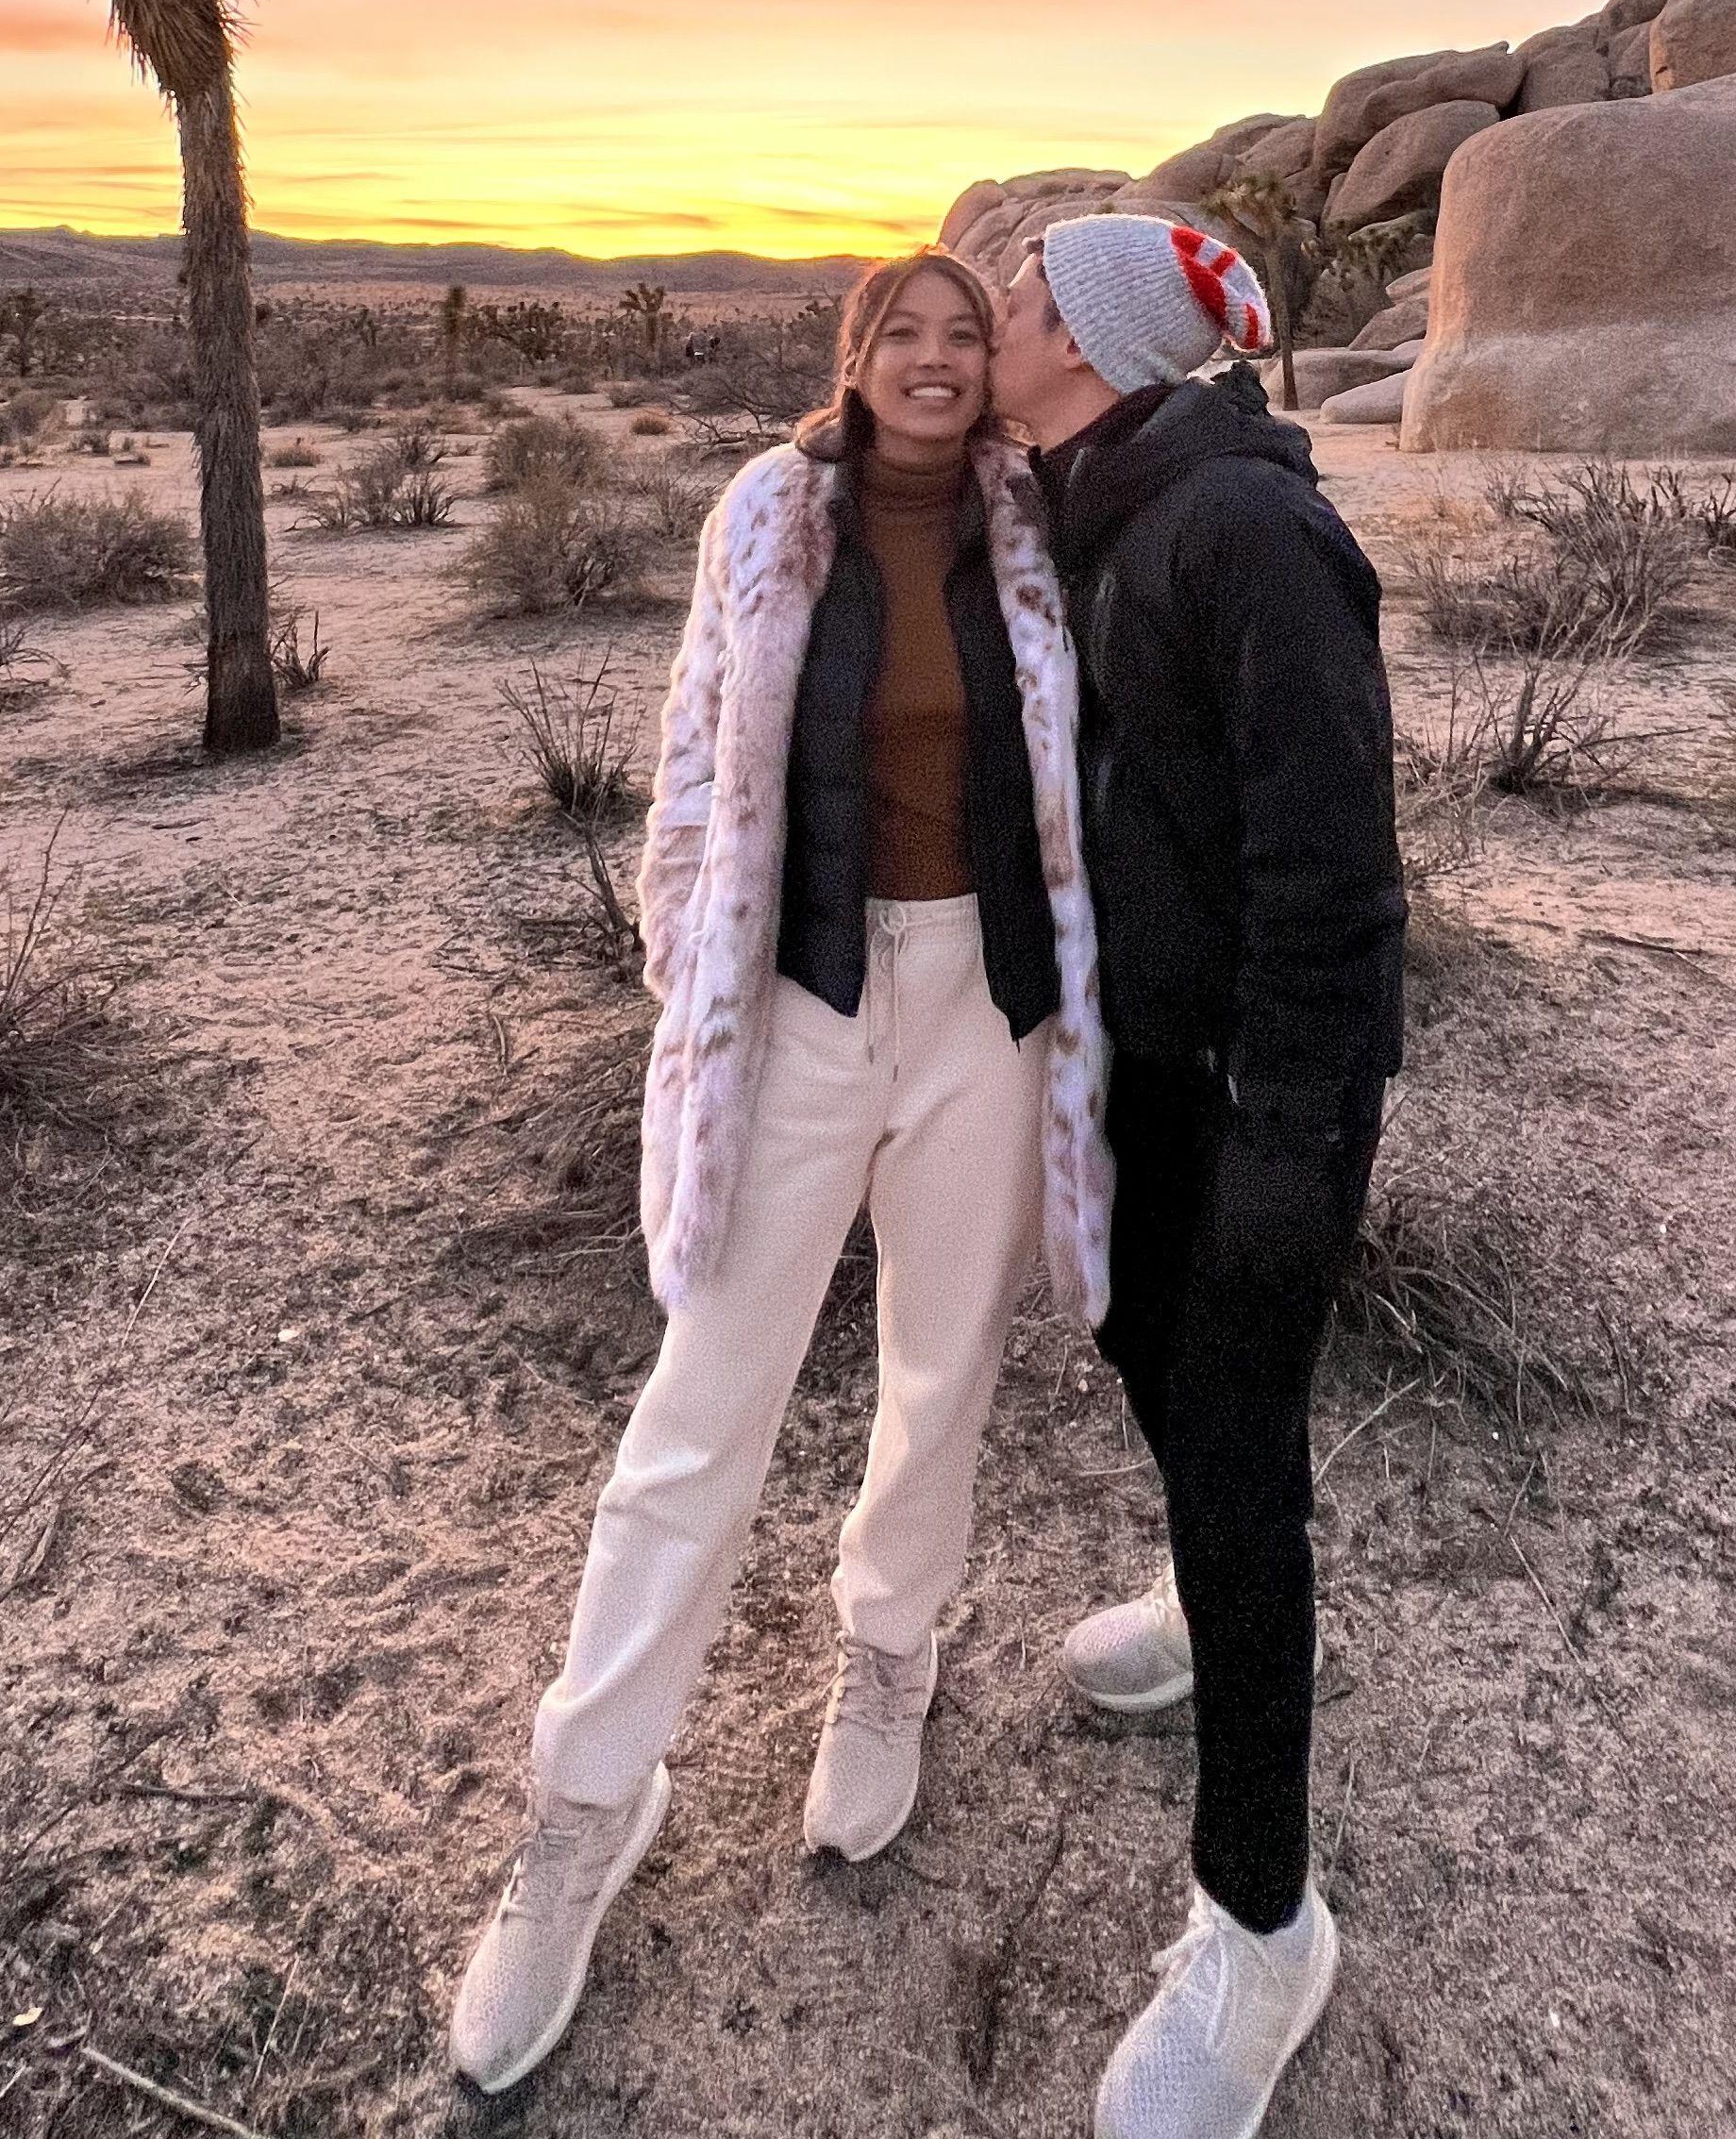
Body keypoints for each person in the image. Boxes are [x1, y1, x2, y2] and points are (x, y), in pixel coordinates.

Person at [450, 249, 1112, 2098]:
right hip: (805, 1001)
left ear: (993, 370)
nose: (930, 356)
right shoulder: (767, 510)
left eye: (961, 335)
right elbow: (688, 763)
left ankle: (886, 1659)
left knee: (938, 1378)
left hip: (989, 1001)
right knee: (702, 1402)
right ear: (856, 355)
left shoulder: (1039, 523)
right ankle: (585, 1806)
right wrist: (697, 972)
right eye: (899, 330)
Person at [987, 213, 1407, 2139]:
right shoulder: (1091, 497)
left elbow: (1332, 876)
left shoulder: (1246, 534)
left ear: (1089, 338)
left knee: (1245, 1472)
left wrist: (1292, 1142)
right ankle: (1187, 1590)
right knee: (1160, 1379)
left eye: (1015, 294)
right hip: (1146, 1064)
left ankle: (1262, 1925)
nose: (988, 314)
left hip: (1256, 1084)